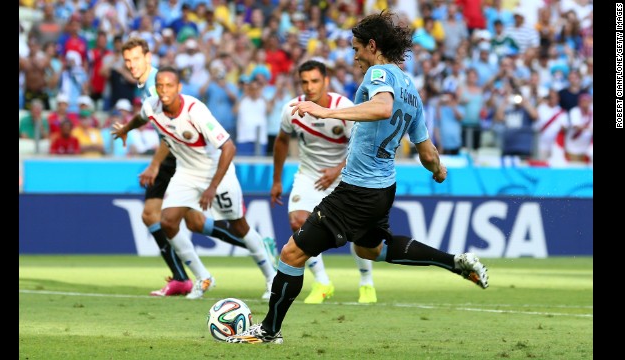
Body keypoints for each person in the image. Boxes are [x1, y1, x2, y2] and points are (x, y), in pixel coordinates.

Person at [227, 11, 489, 344]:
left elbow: (381, 108)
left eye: (356, 49)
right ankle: (454, 262)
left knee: (292, 255)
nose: (354, 57)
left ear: (373, 46)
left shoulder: (379, 74)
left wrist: (326, 111)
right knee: (371, 249)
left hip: (358, 189)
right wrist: (438, 171)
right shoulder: (411, 90)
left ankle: (268, 331)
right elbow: (427, 153)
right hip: (382, 189)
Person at [117, 37, 277, 298]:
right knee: (168, 222)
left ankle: (272, 277)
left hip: (217, 173)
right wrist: (125, 129)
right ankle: (203, 278)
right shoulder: (152, 105)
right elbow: (141, 116)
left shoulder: (196, 110)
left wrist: (212, 187)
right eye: (160, 87)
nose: (164, 90)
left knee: (238, 225)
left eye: (169, 86)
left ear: (179, 87)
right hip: (187, 173)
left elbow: (229, 147)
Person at [271, 60, 377, 304]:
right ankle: (322, 282)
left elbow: (360, 146)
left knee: (359, 234)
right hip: (309, 175)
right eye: (305, 82)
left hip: (347, 176)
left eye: (315, 81)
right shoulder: (291, 109)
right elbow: (281, 141)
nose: (309, 87)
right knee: (298, 222)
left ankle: (366, 282)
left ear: (326, 82)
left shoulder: (344, 108)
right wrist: (276, 180)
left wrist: (337, 169)